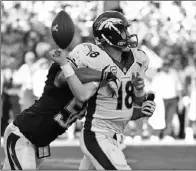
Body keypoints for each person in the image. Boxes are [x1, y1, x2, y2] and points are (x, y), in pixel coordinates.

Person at [51, 11, 156, 170]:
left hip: (116, 138)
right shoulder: (90, 54)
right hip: (97, 135)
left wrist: (142, 105)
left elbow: (126, 107)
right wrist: (103, 75)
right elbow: (60, 79)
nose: (128, 34)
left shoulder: (138, 59)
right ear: (111, 34)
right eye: (123, 31)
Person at [2, 49, 113, 170]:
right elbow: (67, 76)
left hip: (40, 143)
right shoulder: (60, 70)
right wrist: (103, 75)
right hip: (22, 134)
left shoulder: (92, 90)